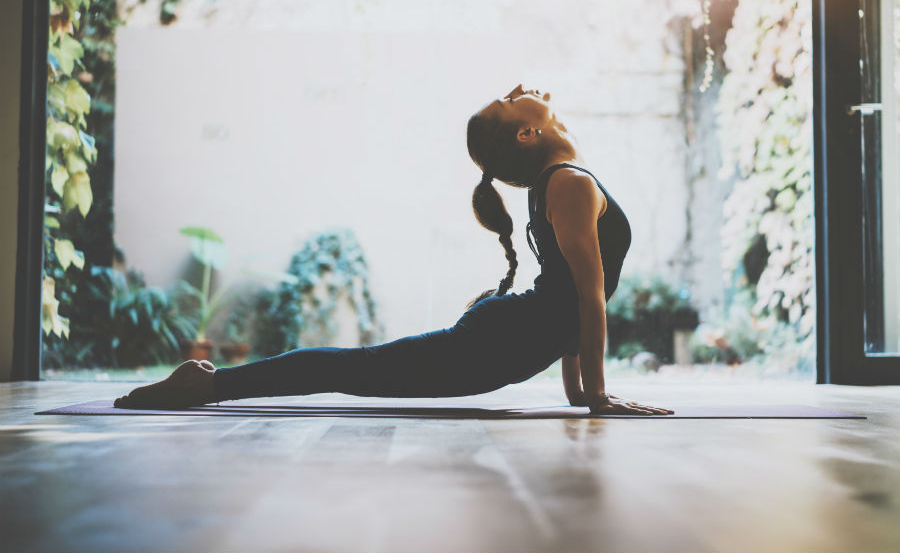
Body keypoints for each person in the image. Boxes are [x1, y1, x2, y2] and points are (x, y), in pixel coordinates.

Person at [115, 85, 672, 416]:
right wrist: (594, 393)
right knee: (358, 369)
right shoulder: (568, 183)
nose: (521, 91)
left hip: (508, 339)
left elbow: (571, 298)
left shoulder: (559, 181)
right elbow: (585, 296)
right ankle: (206, 384)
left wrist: (579, 391)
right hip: (499, 343)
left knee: (362, 369)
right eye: (510, 99)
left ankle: (208, 383)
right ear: (527, 135)